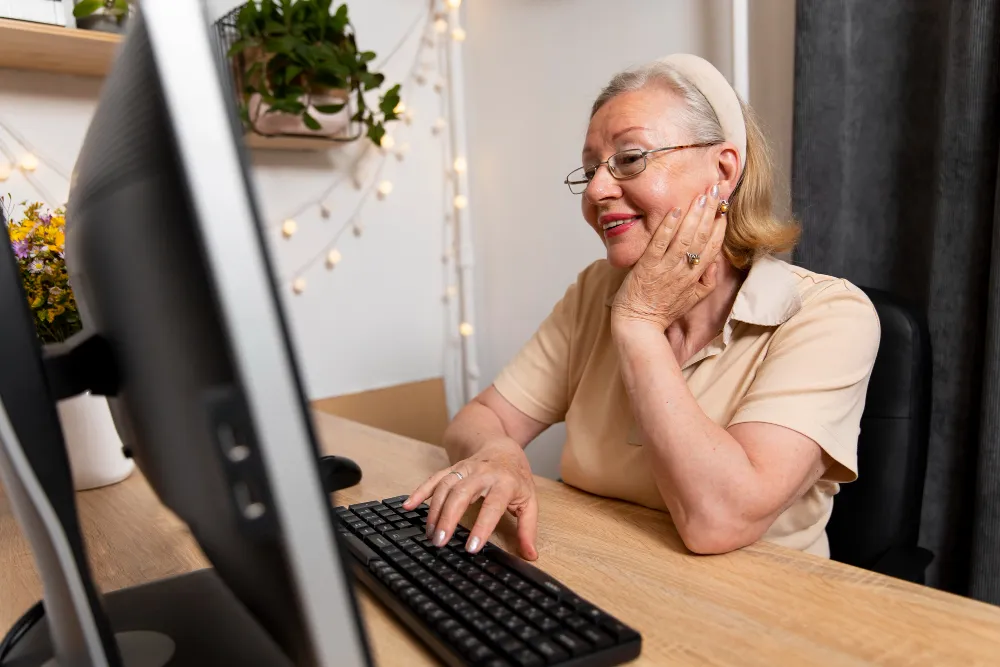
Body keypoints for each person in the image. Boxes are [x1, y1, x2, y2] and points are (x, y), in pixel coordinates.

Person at [403, 54, 880, 560]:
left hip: (759, 617)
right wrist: (498, 453)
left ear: (722, 170)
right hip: (606, 581)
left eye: (630, 158)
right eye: (589, 170)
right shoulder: (595, 290)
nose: (596, 189)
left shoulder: (829, 315)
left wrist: (639, 325)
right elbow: (476, 421)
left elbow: (718, 523)